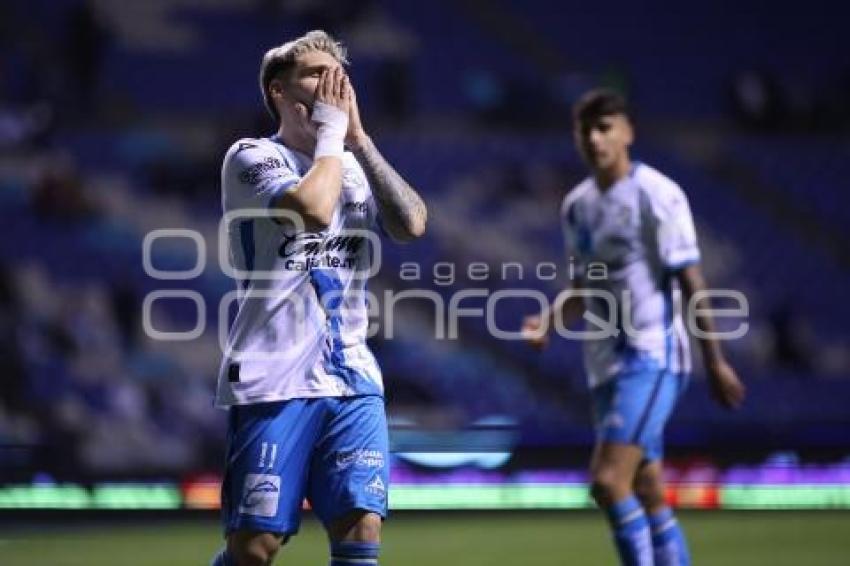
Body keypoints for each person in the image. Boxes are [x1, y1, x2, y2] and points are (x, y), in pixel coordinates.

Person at [211, 30, 427, 566]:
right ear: (279, 91)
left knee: (360, 534)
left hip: (352, 377)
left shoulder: (349, 164)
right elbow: (311, 206)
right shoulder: (251, 156)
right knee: (254, 549)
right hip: (273, 375)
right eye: (315, 73)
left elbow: (413, 224)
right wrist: (332, 138)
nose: (333, 82)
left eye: (339, 73)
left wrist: (362, 141)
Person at [522, 89, 745, 566]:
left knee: (607, 482)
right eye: (586, 129)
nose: (595, 138)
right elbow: (583, 287)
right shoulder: (577, 206)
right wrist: (548, 321)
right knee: (647, 488)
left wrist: (716, 361)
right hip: (604, 364)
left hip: (652, 357)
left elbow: (691, 281)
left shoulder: (657, 196)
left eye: (605, 127)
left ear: (628, 132)